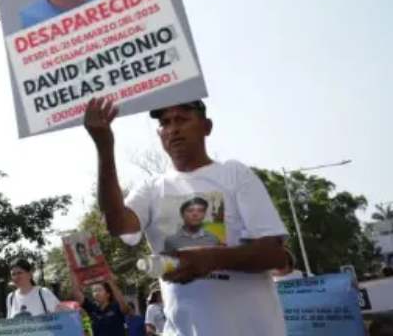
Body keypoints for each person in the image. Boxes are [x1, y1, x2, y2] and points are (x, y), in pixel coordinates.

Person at [83, 98, 288, 335]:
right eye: (165, 122)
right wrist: (104, 146)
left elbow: (275, 254)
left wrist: (210, 259)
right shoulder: (151, 189)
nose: (173, 129)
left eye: (181, 119)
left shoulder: (234, 174)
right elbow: (117, 224)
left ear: (206, 127)